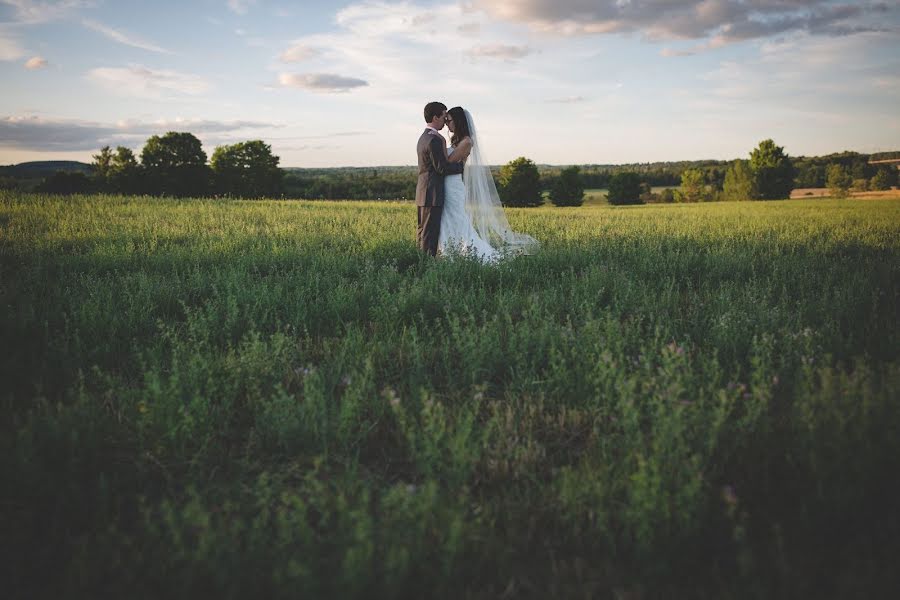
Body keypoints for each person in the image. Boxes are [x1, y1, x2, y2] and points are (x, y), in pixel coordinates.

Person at [438, 106, 539, 261]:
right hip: (447, 184)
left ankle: (477, 254)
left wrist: (436, 149)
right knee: (447, 219)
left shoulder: (466, 142)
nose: (446, 124)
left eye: (449, 120)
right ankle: (449, 252)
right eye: (445, 120)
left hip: (454, 185)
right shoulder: (456, 141)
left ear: (458, 121)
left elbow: (448, 162)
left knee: (459, 220)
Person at [415, 101, 464, 256]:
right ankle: (426, 265)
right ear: (435, 117)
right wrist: (462, 167)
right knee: (430, 233)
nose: (445, 120)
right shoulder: (435, 139)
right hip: (433, 192)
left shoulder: (424, 137)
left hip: (424, 191)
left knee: (423, 231)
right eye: (443, 116)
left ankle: (421, 261)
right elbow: (441, 168)